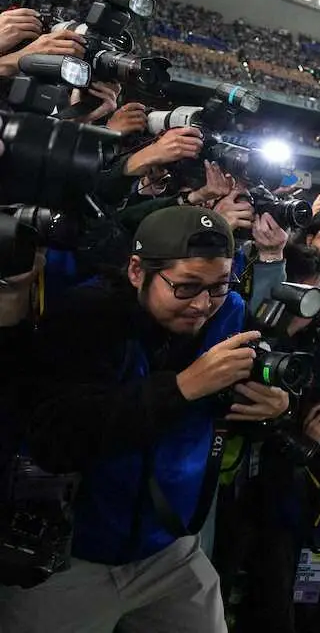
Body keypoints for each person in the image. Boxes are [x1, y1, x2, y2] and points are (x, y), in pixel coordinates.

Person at [0, 206, 291, 632]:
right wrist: (181, 387)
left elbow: (229, 407)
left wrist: (273, 406)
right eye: (187, 286)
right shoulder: (87, 314)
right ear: (137, 271)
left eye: (219, 286)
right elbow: (55, 437)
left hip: (170, 550)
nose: (202, 305)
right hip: (71, 558)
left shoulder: (227, 311)